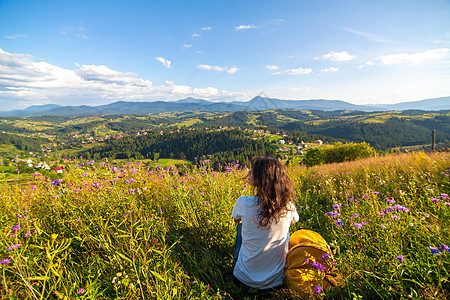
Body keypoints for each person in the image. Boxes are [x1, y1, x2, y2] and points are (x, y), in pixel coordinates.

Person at [232, 156, 299, 289]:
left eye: (253, 171)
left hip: (243, 278)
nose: (249, 173)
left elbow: (236, 219)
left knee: (241, 226)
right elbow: (294, 221)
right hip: (277, 281)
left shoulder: (243, 202)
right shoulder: (288, 206)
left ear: (260, 179)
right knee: (286, 227)